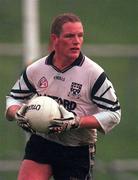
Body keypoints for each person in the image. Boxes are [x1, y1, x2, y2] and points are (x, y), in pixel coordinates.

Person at [5, 13, 121, 180]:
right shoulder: (37, 69)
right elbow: (13, 98)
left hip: (76, 149)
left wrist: (75, 122)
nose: (76, 41)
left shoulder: (93, 74)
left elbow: (114, 113)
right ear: (55, 39)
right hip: (42, 142)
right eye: (69, 36)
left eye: (80, 35)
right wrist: (18, 113)